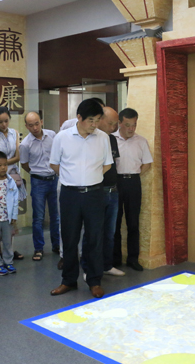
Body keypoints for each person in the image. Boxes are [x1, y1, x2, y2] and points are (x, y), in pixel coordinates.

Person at [49, 98, 113, 299]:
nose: (95, 124)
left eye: (98, 120)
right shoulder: (62, 137)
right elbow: (54, 164)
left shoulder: (103, 138)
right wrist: (73, 178)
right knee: (69, 238)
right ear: (79, 117)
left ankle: (94, 281)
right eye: (91, 120)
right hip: (70, 194)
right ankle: (68, 281)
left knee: (94, 238)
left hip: (94, 194)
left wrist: (90, 178)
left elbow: (107, 164)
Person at [82, 106, 125, 277]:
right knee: (93, 233)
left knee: (110, 233)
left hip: (113, 191)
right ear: (100, 120)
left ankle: (107, 265)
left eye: (115, 124)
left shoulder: (111, 139)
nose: (113, 128)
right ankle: (88, 267)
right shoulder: (90, 139)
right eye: (110, 123)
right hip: (96, 191)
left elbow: (113, 164)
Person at [112, 108, 153, 271]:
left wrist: (134, 175)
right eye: (128, 125)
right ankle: (115, 258)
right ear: (120, 123)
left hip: (134, 183)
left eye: (134, 125)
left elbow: (147, 163)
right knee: (115, 222)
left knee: (133, 222)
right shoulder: (111, 139)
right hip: (115, 183)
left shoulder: (141, 141)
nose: (131, 128)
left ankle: (133, 258)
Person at [0, 106, 26, 260]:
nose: (4, 125)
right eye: (0, 122)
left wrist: (1, 163)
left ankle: (10, 249)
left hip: (13, 177)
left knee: (12, 213)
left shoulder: (14, 133)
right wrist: (2, 165)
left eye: (6, 121)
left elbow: (18, 156)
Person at [19, 112, 59, 261]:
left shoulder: (52, 135)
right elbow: (24, 164)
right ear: (26, 126)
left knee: (56, 216)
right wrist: (36, 172)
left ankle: (57, 245)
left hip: (54, 179)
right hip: (38, 182)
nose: (35, 127)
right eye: (31, 125)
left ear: (41, 121)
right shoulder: (25, 144)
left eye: (37, 123)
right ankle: (38, 248)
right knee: (38, 217)